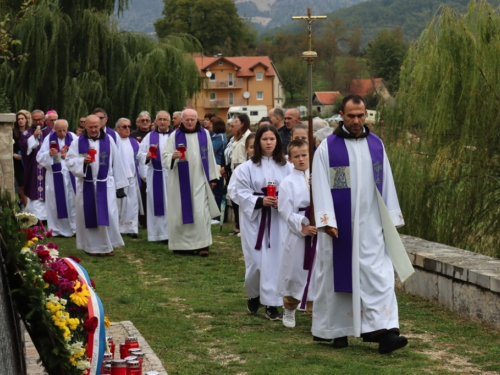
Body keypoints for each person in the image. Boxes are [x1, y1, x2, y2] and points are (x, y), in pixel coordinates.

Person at [311, 94, 407, 353]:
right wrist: (326, 220)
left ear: (366, 115)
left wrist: (392, 218)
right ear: (341, 114)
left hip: (373, 225)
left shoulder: (377, 145)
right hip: (340, 228)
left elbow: (386, 181)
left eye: (360, 115)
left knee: (380, 276)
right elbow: (320, 185)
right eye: (351, 115)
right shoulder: (327, 148)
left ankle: (387, 332)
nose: (356, 120)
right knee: (338, 280)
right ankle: (338, 331)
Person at [230, 125, 292, 320]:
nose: (268, 142)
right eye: (264, 139)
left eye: (272, 139)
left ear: (277, 141)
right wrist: (260, 201)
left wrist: (281, 201)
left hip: (277, 220)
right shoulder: (246, 168)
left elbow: (295, 190)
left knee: (275, 262)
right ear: (258, 143)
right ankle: (254, 294)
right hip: (254, 220)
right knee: (255, 262)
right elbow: (239, 192)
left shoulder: (287, 166)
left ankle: (272, 305)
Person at [65, 114, 129, 256]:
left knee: (107, 214)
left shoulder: (108, 140)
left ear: (100, 125)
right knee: (89, 215)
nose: (93, 130)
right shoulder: (77, 142)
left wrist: (120, 185)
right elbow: (69, 161)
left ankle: (108, 246)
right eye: (90, 127)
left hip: (105, 184)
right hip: (86, 184)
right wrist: (82, 162)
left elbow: (117, 161)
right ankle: (91, 247)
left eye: (96, 126)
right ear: (85, 126)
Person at [163, 109, 220, 257]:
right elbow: (165, 156)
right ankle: (181, 245)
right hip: (179, 182)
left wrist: (213, 177)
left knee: (201, 213)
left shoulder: (204, 134)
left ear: (197, 120)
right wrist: (173, 157)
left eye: (192, 120)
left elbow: (210, 155)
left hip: (200, 179)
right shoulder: (174, 136)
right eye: (187, 119)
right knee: (180, 213)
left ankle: (203, 245)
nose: (189, 122)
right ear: (181, 120)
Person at [277, 139, 316, 328]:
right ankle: (290, 308)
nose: (301, 159)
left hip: (318, 230)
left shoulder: (318, 176)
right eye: (297, 156)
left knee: (317, 271)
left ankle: (315, 312)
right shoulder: (287, 182)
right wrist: (303, 227)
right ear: (290, 159)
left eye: (304, 155)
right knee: (295, 270)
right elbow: (285, 211)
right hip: (298, 231)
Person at [36, 119, 77, 237]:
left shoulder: (73, 137)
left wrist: (68, 155)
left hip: (70, 176)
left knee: (71, 201)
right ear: (55, 129)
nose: (62, 133)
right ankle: (57, 229)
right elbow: (40, 157)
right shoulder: (49, 138)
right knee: (55, 202)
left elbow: (80, 153)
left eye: (64, 130)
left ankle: (73, 227)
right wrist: (49, 153)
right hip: (55, 175)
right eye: (59, 130)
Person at [138, 111, 171, 243]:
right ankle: (157, 234)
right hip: (156, 174)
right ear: (155, 122)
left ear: (169, 122)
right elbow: (139, 154)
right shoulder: (149, 137)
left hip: (170, 175)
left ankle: (171, 234)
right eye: (160, 119)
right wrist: (147, 156)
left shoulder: (174, 136)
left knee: (170, 205)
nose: (162, 122)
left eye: (165, 119)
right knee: (155, 204)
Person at [19, 110, 54, 221]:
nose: (37, 122)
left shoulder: (51, 132)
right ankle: (37, 216)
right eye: (35, 120)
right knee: (35, 189)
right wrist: (33, 137)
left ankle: (50, 216)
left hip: (48, 167)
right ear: (31, 120)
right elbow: (23, 147)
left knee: (49, 188)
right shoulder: (27, 133)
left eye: (39, 119)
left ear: (44, 119)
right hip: (34, 167)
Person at [115, 117, 143, 239]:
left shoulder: (134, 142)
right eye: (124, 127)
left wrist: (147, 156)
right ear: (117, 129)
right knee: (117, 205)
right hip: (117, 178)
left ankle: (131, 228)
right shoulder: (113, 141)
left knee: (132, 203)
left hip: (132, 177)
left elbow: (140, 157)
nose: (127, 129)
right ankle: (117, 228)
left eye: (129, 127)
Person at [130, 110, 152, 229]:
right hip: (137, 169)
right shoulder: (132, 136)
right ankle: (142, 220)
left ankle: (151, 218)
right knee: (141, 195)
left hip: (151, 168)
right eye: (142, 120)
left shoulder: (154, 135)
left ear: (150, 122)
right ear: (138, 122)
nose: (144, 122)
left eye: (147, 120)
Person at [210, 116, 227, 225]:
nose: (210, 126)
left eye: (212, 124)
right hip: (216, 166)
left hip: (217, 166)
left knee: (218, 192)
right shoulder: (216, 136)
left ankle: (217, 217)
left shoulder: (219, 137)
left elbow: (210, 149)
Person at [13, 110, 29, 208]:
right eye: (18, 119)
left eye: (22, 119)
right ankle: (26, 207)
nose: (20, 121)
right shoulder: (13, 133)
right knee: (22, 185)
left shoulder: (30, 132)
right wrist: (14, 154)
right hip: (18, 162)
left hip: (28, 161)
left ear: (26, 120)